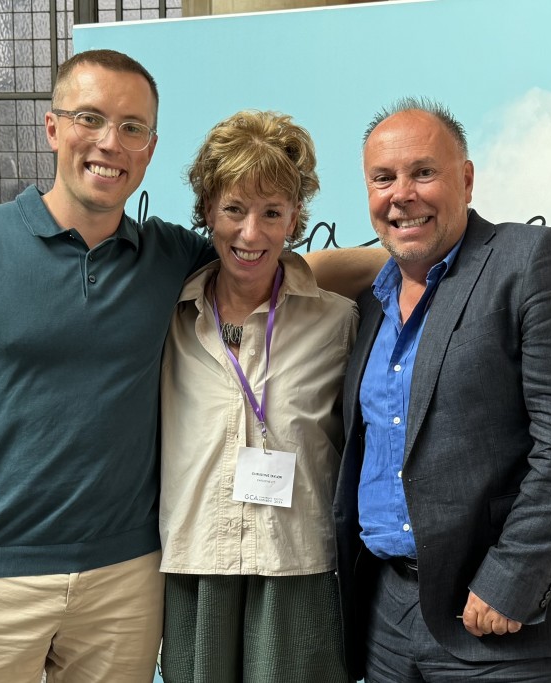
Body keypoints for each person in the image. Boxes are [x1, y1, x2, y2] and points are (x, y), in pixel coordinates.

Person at [0, 48, 383, 683]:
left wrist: (432, 255)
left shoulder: (169, 258)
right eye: (90, 118)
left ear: (149, 147)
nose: (110, 143)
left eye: (132, 127)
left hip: (126, 578)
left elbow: (268, 263)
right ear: (53, 127)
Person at [332, 98, 551, 682]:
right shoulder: (375, 300)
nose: (402, 193)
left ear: (466, 179)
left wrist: (509, 583)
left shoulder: (534, 262)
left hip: (504, 619)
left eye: (424, 172)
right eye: (383, 178)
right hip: (389, 614)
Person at [158, 110, 355, 682]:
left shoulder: (337, 322)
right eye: (234, 210)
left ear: (295, 218)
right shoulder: (167, 316)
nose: (251, 233)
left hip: (298, 563)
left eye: (272, 212)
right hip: (198, 562)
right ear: (207, 213)